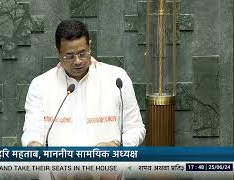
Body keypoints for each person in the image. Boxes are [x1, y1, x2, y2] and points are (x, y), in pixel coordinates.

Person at [21, 19, 146, 147]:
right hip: (60, 165)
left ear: (90, 47)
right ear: (58, 52)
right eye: (69, 56)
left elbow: (135, 128)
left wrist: (116, 144)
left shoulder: (117, 79)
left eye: (82, 53)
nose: (77, 61)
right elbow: (32, 131)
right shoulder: (41, 85)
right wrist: (33, 144)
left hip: (107, 165)